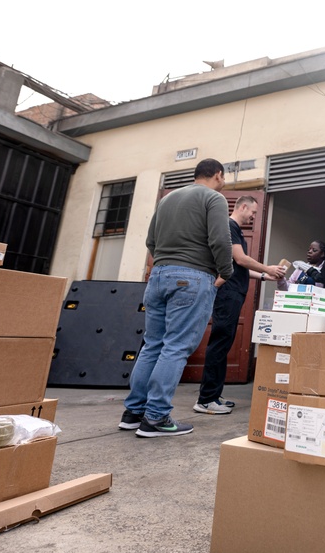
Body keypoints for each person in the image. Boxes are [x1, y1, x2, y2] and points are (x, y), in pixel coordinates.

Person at [118, 158, 234, 438]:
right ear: (218, 175)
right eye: (224, 177)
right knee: (176, 347)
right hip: (192, 277)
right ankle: (156, 418)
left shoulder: (168, 199)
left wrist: (165, 264)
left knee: (152, 345)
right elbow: (220, 239)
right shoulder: (214, 198)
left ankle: (134, 412)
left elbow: (150, 241)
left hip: (158, 276)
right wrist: (226, 271)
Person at [195, 195, 286, 415]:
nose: (253, 216)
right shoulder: (230, 226)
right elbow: (241, 259)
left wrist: (265, 277)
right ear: (243, 207)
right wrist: (268, 269)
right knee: (219, 343)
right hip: (228, 294)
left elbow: (240, 267)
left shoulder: (233, 229)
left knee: (224, 343)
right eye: (253, 212)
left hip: (233, 293)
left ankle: (214, 395)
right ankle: (206, 399)